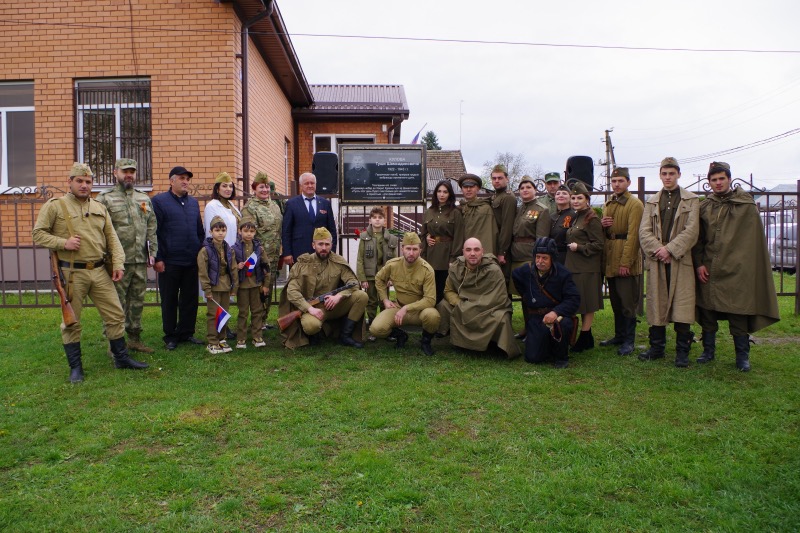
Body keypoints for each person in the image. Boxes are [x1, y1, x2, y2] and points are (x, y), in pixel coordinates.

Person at [32, 163, 148, 382]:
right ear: (70, 182)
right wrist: (62, 242)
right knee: (72, 321)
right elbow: (38, 234)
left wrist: (118, 264)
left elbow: (112, 238)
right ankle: (75, 367)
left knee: (116, 315)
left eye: (88, 182)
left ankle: (121, 358)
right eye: (79, 181)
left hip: (99, 271)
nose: (84, 186)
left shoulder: (99, 206)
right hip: (73, 273)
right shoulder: (56, 206)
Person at [692, 161, 780, 371]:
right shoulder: (705, 206)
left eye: (722, 178)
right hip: (710, 268)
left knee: (738, 311)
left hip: (737, 269)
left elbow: (752, 242)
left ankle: (742, 356)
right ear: (709, 182)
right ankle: (708, 351)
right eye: (714, 180)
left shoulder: (745, 205)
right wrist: (699, 264)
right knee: (707, 311)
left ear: (729, 179)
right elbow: (698, 239)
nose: (718, 183)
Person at [638, 157, 699, 367]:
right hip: (657, 259)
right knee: (656, 302)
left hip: (680, 259)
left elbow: (692, 231)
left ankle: (682, 352)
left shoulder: (692, 200)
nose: (668, 178)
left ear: (679, 174)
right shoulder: (652, 201)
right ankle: (657, 348)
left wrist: (670, 250)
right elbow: (644, 231)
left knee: (682, 304)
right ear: (660, 175)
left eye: (671, 174)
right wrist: (659, 250)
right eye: (664, 174)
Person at [95, 158, 158, 354]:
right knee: (116, 304)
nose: (129, 175)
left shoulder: (143, 198)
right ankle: (114, 343)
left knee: (137, 302)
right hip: (117, 262)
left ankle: (134, 339)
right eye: (125, 171)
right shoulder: (104, 198)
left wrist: (152, 253)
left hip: (139, 259)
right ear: (116, 173)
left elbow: (151, 227)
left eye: (132, 171)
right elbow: (98, 230)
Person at [278, 227, 367, 349]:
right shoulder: (302, 264)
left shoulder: (338, 261)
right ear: (313, 245)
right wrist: (310, 309)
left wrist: (339, 296)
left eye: (327, 244)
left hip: (334, 306)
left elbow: (353, 283)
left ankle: (345, 336)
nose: (324, 248)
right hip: (313, 308)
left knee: (362, 296)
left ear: (331, 245)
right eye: (320, 244)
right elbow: (292, 292)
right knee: (311, 326)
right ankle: (315, 334)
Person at [436, 238, 520, 359]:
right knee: (443, 305)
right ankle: (455, 340)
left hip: (488, 308)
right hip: (463, 304)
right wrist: (460, 303)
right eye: (468, 250)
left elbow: (499, 298)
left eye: (476, 250)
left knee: (502, 318)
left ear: (482, 251)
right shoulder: (456, 268)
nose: (472, 253)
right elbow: (448, 291)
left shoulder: (493, 270)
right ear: (463, 252)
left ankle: (495, 344)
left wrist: (472, 307)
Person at [152, 166, 205, 350]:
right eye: (181, 178)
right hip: (170, 261)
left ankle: (186, 332)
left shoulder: (192, 203)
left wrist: (199, 250)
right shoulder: (159, 201)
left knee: (190, 298)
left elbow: (199, 230)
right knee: (170, 299)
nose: (185, 182)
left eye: (187, 179)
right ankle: (171, 335)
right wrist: (157, 258)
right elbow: (154, 232)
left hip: (191, 260)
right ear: (171, 180)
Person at [512, 237, 580, 368]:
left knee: (563, 324)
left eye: (544, 258)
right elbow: (516, 277)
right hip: (537, 318)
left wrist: (556, 312)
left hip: (557, 317)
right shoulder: (525, 271)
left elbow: (573, 299)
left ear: (552, 258)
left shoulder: (563, 274)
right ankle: (546, 346)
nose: (540, 261)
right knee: (533, 358)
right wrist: (527, 295)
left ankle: (561, 357)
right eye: (537, 257)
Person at [370, 232, 441, 356]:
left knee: (433, 316)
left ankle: (426, 342)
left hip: (420, 311)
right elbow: (379, 279)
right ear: (402, 248)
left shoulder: (427, 270)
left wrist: (406, 308)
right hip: (397, 308)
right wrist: (385, 300)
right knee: (376, 328)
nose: (411, 253)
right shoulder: (393, 265)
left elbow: (430, 300)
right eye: (408, 248)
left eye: (415, 249)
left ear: (420, 250)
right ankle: (400, 335)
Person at [599, 167, 644, 356]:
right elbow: (606, 234)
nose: (616, 184)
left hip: (626, 259)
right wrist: (602, 226)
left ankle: (629, 340)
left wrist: (626, 262)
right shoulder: (609, 204)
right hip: (611, 256)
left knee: (627, 302)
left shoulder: (635, 204)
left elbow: (634, 236)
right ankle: (619, 335)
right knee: (616, 301)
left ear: (628, 182)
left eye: (620, 181)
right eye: (614, 181)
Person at [565, 182, 605, 352]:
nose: (575, 201)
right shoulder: (576, 217)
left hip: (587, 268)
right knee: (579, 303)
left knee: (587, 303)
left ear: (587, 199)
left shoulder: (591, 218)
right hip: (575, 267)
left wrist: (579, 247)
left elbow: (599, 244)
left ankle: (585, 336)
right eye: (573, 198)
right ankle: (584, 337)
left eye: (579, 198)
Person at [243, 172, 283, 329]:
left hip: (273, 256)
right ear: (254, 189)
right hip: (258, 257)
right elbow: (248, 233)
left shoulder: (274, 205)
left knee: (268, 288)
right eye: (261, 187)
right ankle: (256, 322)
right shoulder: (250, 207)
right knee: (257, 290)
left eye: (266, 186)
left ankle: (263, 321)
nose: (265, 190)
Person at [198, 216, 237, 354]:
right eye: (217, 230)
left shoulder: (228, 248)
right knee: (213, 314)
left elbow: (233, 268)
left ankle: (222, 339)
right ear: (210, 232)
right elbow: (203, 272)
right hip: (213, 286)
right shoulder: (205, 250)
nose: (220, 233)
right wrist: (207, 289)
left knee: (224, 313)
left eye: (223, 230)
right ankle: (212, 341)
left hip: (225, 285)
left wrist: (234, 287)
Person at [356, 206, 399, 333]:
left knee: (383, 301)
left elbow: (395, 260)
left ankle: (385, 327)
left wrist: (392, 277)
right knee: (371, 302)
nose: (377, 220)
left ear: (384, 220)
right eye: (374, 218)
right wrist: (362, 278)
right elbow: (360, 259)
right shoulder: (364, 237)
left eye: (380, 217)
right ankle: (372, 327)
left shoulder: (390, 238)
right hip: (370, 276)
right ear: (370, 220)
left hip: (384, 276)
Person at [421, 180, 464, 303]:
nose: (442, 194)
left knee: (444, 287)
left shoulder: (455, 212)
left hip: (447, 255)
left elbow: (459, 236)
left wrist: (453, 258)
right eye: (439, 191)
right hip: (431, 254)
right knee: (430, 288)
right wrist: (424, 255)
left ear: (450, 194)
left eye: (445, 192)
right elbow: (423, 234)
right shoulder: (429, 211)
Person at [281, 172, 337, 266]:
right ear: (301, 185)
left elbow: (332, 230)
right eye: (307, 183)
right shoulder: (291, 204)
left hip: (321, 252)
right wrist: (287, 252)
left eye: (312, 183)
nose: (310, 185)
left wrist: (332, 251)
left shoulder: (325, 203)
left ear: (316, 184)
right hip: (299, 252)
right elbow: (286, 231)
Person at [232, 219, 270, 349]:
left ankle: (257, 336)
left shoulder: (258, 248)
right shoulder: (234, 248)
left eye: (252, 231)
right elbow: (230, 267)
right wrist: (237, 266)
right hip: (242, 285)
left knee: (257, 311)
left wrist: (265, 285)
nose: (249, 234)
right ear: (239, 231)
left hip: (256, 284)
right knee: (243, 312)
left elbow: (266, 267)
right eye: (246, 231)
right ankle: (241, 338)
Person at [490, 164, 517, 280]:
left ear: (507, 179)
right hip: (494, 243)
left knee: (502, 281)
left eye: (500, 178)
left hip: (503, 247)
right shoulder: (496, 196)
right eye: (494, 178)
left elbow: (507, 227)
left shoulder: (508, 197)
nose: (496, 181)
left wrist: (502, 252)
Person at [458, 173, 497, 256]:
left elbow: (489, 235)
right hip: (462, 252)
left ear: (478, 188)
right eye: (465, 187)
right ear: (461, 189)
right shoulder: (458, 209)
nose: (468, 189)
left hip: (482, 253)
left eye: (472, 186)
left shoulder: (485, 208)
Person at [204, 172, 241, 247]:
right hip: (220, 252)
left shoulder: (232, 205)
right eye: (224, 186)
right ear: (217, 189)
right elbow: (209, 234)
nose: (228, 189)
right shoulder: (211, 206)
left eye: (231, 186)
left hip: (235, 250)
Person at [548, 184, 575, 265]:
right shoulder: (551, 216)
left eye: (564, 193)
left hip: (566, 257)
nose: (561, 195)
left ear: (570, 197)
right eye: (558, 193)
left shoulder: (574, 216)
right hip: (551, 256)